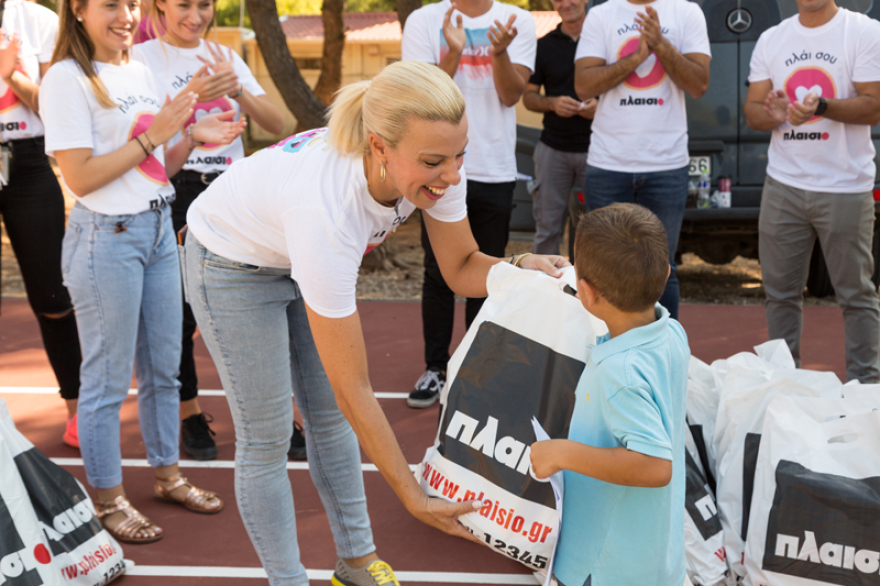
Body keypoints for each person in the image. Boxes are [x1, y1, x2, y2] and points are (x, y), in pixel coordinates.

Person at [182, 61, 567, 586]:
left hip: (290, 249)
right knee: (268, 435)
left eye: (460, 155)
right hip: (230, 261)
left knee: (328, 418)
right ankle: (287, 581)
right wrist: (413, 496)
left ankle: (358, 565)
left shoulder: (436, 166)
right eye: (434, 161)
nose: (453, 175)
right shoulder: (330, 212)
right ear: (379, 147)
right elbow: (354, 387)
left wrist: (521, 270)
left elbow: (459, 267)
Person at [39, 0, 244, 544]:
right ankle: (107, 500)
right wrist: (160, 134)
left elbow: (156, 166)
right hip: (105, 237)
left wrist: (193, 139)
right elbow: (80, 178)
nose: (126, 14)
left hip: (156, 228)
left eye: (131, 2)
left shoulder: (138, 70)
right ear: (77, 11)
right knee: (107, 381)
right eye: (110, 4)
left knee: (165, 369)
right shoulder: (65, 78)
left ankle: (168, 475)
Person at [131, 0, 286, 461]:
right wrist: (193, 104)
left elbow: (278, 125)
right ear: (159, 4)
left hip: (234, 192)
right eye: (184, 5)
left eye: (204, 5)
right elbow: (145, 138)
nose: (195, 17)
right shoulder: (142, 60)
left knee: (257, 301)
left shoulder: (226, 56)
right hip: (176, 188)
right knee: (180, 312)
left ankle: (278, 416)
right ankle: (189, 413)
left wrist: (239, 90)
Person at [530, 202, 689, 586]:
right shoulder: (671, 333)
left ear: (585, 291)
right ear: (666, 273)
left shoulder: (621, 372)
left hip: (607, 566)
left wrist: (561, 453)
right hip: (652, 554)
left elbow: (654, 465)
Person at [401, 0, 536, 408]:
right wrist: (454, 51)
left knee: (487, 272)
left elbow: (512, 95)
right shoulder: (424, 21)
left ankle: (475, 368)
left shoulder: (518, 21)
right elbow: (421, 98)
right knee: (438, 272)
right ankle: (435, 370)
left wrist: (499, 52)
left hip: (493, 167)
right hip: (439, 169)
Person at [744, 0, 880, 383]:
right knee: (780, 296)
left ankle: (867, 392)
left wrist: (821, 105)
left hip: (845, 187)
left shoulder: (864, 31)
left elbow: (874, 105)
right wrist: (772, 115)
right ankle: (784, 389)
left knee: (856, 296)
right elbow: (753, 110)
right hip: (783, 185)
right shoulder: (773, 39)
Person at [574, 0, 710, 319]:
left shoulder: (686, 12)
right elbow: (584, 85)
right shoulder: (601, 15)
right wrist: (636, 58)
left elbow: (698, 84)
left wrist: (661, 45)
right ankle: (605, 360)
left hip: (666, 164)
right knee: (601, 271)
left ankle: (662, 359)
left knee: (662, 269)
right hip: (609, 164)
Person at [0, 0, 83, 447]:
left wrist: (10, 73)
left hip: (27, 163)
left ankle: (77, 411)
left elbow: (57, 108)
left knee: (54, 294)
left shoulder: (36, 20)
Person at [522, 0, 595, 256]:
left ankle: (592, 292)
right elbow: (528, 97)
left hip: (598, 150)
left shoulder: (603, 39)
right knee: (547, 229)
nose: (566, 3)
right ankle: (544, 292)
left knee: (597, 231)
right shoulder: (543, 45)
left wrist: (601, 106)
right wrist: (552, 103)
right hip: (553, 149)